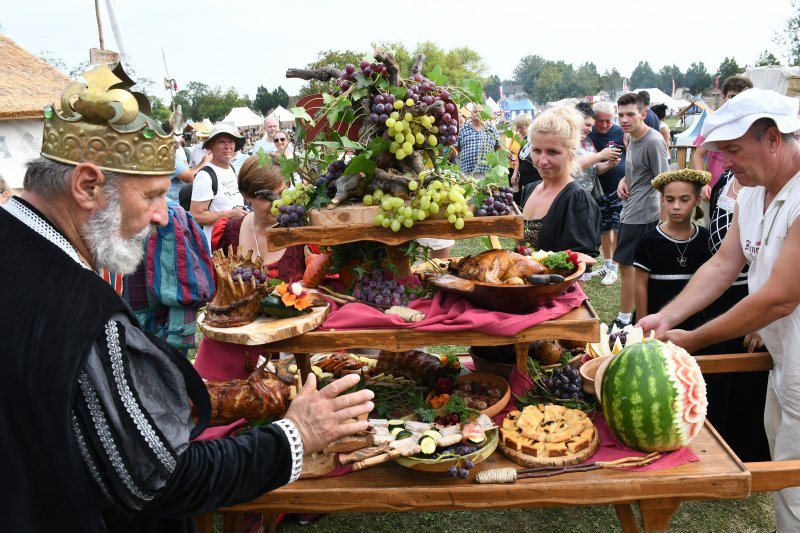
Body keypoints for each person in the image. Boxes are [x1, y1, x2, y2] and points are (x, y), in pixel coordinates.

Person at [0, 64, 375, 532]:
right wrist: (296, 437)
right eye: (153, 195)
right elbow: (158, 479)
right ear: (87, 185)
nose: (162, 216)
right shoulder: (80, 312)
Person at [637, 88, 800, 532]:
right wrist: (668, 317)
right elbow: (723, 264)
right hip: (786, 357)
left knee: (795, 481)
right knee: (785, 471)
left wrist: (694, 339)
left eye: (732, 150)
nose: (725, 163)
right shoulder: (752, 191)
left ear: (773, 139)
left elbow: (779, 296)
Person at [613, 92, 670, 329]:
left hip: (643, 214)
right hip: (630, 209)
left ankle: (626, 320)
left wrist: (667, 226)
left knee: (629, 268)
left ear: (643, 114)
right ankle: (633, 318)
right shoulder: (631, 138)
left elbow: (666, 182)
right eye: (621, 115)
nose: (624, 120)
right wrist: (624, 180)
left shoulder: (653, 141)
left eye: (630, 114)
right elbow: (637, 169)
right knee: (628, 267)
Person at [517, 106, 601, 259]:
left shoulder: (577, 199)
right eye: (536, 150)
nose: (542, 160)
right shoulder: (530, 189)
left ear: (571, 154)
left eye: (553, 152)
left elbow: (584, 261)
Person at [633, 169, 711, 330]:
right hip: (655, 320)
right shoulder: (649, 240)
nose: (676, 206)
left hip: (693, 322)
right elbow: (640, 285)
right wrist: (642, 323)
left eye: (684, 200)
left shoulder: (705, 238)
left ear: (697, 200)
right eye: (670, 199)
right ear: (662, 200)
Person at [691, 75, 754, 200]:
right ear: (724, 97)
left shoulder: (754, 125)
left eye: (741, 97)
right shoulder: (713, 123)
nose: (736, 101)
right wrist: (703, 183)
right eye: (732, 96)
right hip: (713, 190)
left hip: (744, 192)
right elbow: (698, 155)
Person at [587, 101, 626, 286]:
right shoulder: (589, 133)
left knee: (618, 228)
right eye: (600, 121)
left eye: (608, 121)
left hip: (619, 189)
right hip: (598, 190)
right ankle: (607, 263)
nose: (604, 125)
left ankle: (614, 269)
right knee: (604, 228)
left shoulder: (620, 132)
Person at [190, 123, 249, 243]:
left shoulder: (231, 168)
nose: (228, 146)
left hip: (235, 239)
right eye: (222, 142)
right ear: (211, 146)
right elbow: (196, 216)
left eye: (231, 142)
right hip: (218, 246)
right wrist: (230, 214)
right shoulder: (205, 176)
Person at [575, 102, 621, 197]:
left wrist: (609, 164)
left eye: (591, 126)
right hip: (571, 196)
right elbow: (571, 166)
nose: (590, 130)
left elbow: (592, 169)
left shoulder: (587, 140)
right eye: (587, 125)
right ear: (576, 121)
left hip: (588, 197)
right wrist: (600, 155)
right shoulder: (564, 140)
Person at [455, 104, 500, 176]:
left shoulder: (491, 129)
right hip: (466, 172)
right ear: (471, 113)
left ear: (484, 113)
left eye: (479, 111)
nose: (477, 113)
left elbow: (498, 147)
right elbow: (457, 147)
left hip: (487, 173)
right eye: (474, 111)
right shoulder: (463, 129)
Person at [507, 113, 531, 188]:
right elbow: (510, 149)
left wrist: (515, 172)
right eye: (517, 127)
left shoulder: (529, 138)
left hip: (522, 169)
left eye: (521, 127)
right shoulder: (515, 136)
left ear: (527, 125)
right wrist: (509, 155)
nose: (519, 130)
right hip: (512, 167)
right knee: (514, 192)